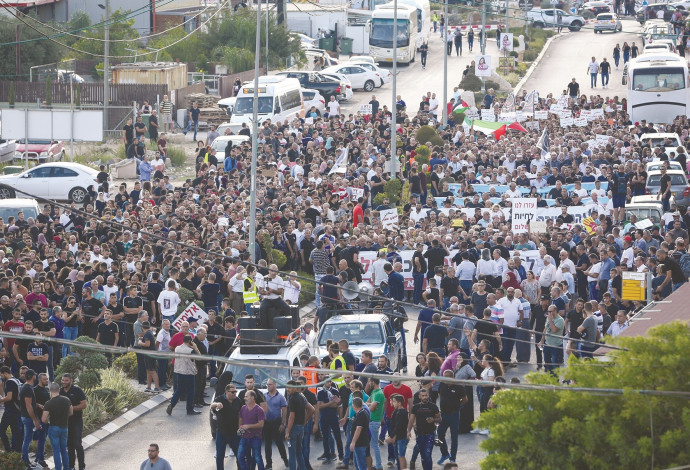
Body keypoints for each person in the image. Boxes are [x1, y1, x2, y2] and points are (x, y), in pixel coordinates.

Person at [437, 369, 468, 465]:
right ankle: (445, 453)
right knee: (440, 433)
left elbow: (465, 399)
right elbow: (439, 394)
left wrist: (457, 406)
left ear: (452, 377)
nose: (445, 379)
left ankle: (453, 458)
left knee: (454, 436)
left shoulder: (459, 387)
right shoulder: (441, 384)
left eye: (447, 377)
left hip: (454, 414)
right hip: (443, 414)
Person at [166, 334, 201, 416]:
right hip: (188, 373)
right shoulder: (190, 351)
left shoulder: (177, 348)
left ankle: (171, 405)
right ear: (189, 341)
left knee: (179, 390)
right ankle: (189, 409)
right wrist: (195, 348)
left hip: (179, 372)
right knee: (190, 391)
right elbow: (200, 358)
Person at [407, 388, 440, 470]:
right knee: (423, 456)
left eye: (426, 395)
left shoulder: (433, 406)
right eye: (423, 396)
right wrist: (408, 431)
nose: (425, 397)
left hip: (430, 434)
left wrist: (433, 420)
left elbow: (439, 419)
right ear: (419, 396)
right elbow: (411, 420)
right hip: (419, 434)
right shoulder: (416, 407)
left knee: (428, 454)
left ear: (428, 395)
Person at [212, 383, 244, 470]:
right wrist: (217, 405)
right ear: (226, 392)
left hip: (234, 433)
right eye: (232, 392)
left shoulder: (237, 400)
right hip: (222, 433)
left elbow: (241, 414)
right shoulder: (220, 399)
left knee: (239, 455)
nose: (235, 394)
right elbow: (212, 406)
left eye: (235, 392)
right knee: (220, 456)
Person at [60, 373, 88, 470]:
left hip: (76, 421)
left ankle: (82, 466)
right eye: (63, 380)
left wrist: (71, 409)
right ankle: (71, 466)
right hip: (65, 423)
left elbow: (84, 405)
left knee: (77, 444)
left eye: (66, 380)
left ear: (71, 381)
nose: (64, 382)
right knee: (69, 445)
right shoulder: (60, 391)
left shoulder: (77, 390)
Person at [264, 378, 289, 470]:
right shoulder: (264, 396)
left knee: (279, 443)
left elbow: (284, 411)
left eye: (270, 384)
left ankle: (286, 460)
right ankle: (269, 464)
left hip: (276, 423)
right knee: (267, 444)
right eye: (267, 384)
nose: (268, 386)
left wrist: (283, 424)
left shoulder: (281, 397)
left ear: (275, 385)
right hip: (266, 423)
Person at [238, 389, 266, 470]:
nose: (244, 398)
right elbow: (240, 419)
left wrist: (248, 426)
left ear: (253, 398)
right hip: (244, 437)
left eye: (246, 396)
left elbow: (261, 424)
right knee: (240, 457)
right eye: (245, 396)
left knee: (257, 458)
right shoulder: (243, 408)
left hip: (256, 437)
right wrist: (240, 427)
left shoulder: (259, 409)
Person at [349, 397, 370, 470]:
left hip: (360, 443)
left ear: (354, 406)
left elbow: (358, 429)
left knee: (361, 466)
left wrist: (353, 442)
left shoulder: (361, 414)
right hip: (360, 443)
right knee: (357, 465)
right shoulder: (362, 413)